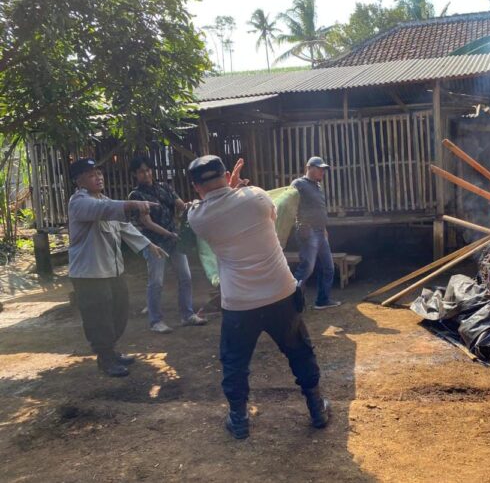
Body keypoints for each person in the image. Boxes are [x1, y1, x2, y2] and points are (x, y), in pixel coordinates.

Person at [187, 155, 330, 440]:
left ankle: (239, 420)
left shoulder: (197, 217)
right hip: (280, 293)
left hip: (239, 303)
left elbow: (213, 206)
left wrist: (228, 191)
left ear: (195, 187)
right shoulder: (256, 197)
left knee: (235, 363)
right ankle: (316, 409)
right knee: (300, 352)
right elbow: (272, 219)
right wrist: (238, 189)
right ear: (227, 174)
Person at [68, 158, 168, 377]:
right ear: (79, 180)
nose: (99, 176)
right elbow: (104, 209)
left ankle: (111, 352)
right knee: (99, 318)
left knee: (119, 312)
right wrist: (133, 204)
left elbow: (124, 227)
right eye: (92, 174)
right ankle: (105, 358)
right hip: (90, 274)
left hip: (112, 270)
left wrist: (149, 245)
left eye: (99, 172)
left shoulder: (104, 199)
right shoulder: (79, 202)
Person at [128, 156, 207, 333]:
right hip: (154, 243)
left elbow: (180, 205)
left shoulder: (164, 187)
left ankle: (187, 315)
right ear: (135, 174)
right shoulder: (136, 196)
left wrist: (193, 206)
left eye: (148, 170)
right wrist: (169, 233)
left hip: (174, 240)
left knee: (185, 277)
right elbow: (147, 223)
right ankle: (156, 321)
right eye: (141, 171)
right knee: (156, 282)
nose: (146, 174)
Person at [290, 156, 341, 310]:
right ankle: (291, 303)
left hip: (320, 232)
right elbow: (290, 206)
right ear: (309, 167)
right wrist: (300, 224)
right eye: (319, 169)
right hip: (308, 231)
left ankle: (322, 300)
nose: (322, 172)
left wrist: (324, 229)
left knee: (328, 267)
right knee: (307, 268)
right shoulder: (298, 184)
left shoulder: (318, 186)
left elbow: (319, 210)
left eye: (323, 170)